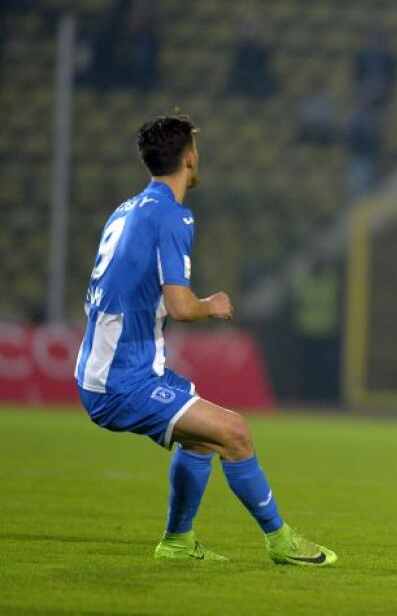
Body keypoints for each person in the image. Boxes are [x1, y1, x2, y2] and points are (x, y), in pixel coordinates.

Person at [74, 114, 336, 566]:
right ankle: (280, 540)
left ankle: (177, 542)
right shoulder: (171, 216)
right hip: (121, 379)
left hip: (109, 366)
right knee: (235, 432)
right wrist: (211, 304)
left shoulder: (127, 209)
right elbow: (180, 306)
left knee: (202, 439)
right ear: (189, 158)